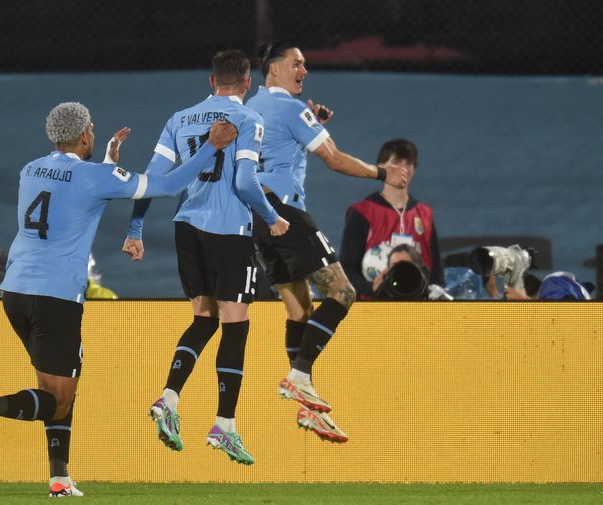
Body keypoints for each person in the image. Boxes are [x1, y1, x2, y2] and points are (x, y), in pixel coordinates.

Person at [0, 102, 237, 496]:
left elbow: (71, 196)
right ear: (85, 134)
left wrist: (108, 163)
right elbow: (166, 185)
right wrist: (211, 145)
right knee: (57, 401)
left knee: (58, 386)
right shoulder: (94, 177)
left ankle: (59, 478)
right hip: (55, 296)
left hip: (16, 291)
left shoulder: (30, 170)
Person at [122, 50, 289, 465]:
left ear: (210, 81)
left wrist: (135, 228)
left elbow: (154, 180)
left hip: (187, 229)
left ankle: (168, 399)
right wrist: (272, 219)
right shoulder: (250, 120)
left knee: (203, 320)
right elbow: (246, 182)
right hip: (228, 232)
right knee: (236, 327)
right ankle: (225, 426)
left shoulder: (179, 119)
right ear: (247, 84)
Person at [245, 41, 407, 444]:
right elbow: (332, 157)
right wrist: (381, 173)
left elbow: (278, 148)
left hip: (256, 216)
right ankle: (298, 377)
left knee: (299, 311)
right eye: (297, 63)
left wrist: (312, 121)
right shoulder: (289, 108)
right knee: (343, 291)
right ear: (276, 69)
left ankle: (307, 406)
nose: (305, 70)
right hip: (285, 212)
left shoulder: (252, 107)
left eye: (306, 64)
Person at [339, 138, 444, 299]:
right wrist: (370, 288)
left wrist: (436, 292)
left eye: (409, 163)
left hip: (417, 308)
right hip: (372, 307)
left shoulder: (424, 214)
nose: (403, 169)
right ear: (380, 167)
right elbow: (346, 267)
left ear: (414, 169)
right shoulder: (361, 212)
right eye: (396, 162)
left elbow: (436, 269)